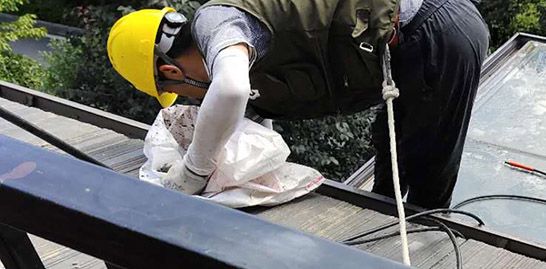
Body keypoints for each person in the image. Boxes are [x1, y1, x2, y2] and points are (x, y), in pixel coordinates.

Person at [107, 0, 489, 208]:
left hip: (434, 29)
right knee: (389, 160)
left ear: (171, 71)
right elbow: (252, 130)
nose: (193, 97)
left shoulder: (218, 22)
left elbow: (230, 91)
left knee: (428, 174)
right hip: (408, 50)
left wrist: (193, 172)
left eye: (180, 90)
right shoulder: (239, 56)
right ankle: (382, 243)